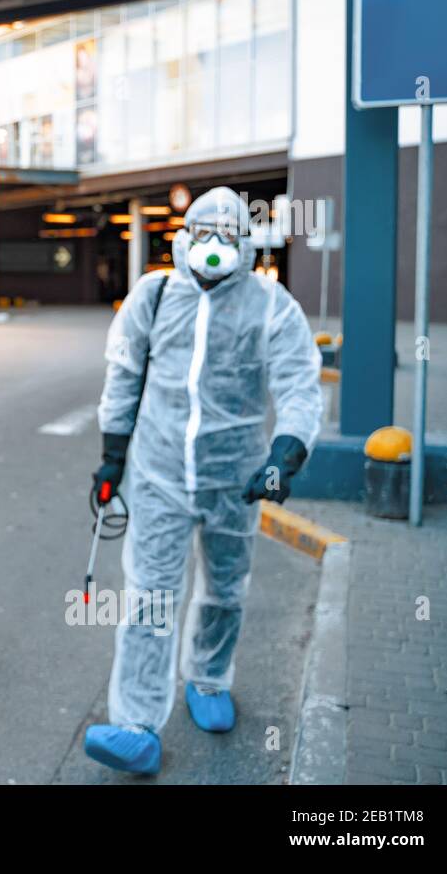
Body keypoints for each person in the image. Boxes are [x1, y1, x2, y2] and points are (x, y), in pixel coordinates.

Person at [83, 186, 321, 775]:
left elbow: (298, 384)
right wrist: (113, 455)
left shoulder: (271, 305)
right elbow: (123, 375)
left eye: (228, 235)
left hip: (234, 481)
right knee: (150, 596)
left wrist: (284, 455)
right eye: (203, 232)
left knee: (224, 587)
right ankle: (136, 722)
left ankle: (209, 679)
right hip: (159, 475)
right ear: (183, 236)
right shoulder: (155, 294)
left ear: (245, 244)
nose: (214, 246)